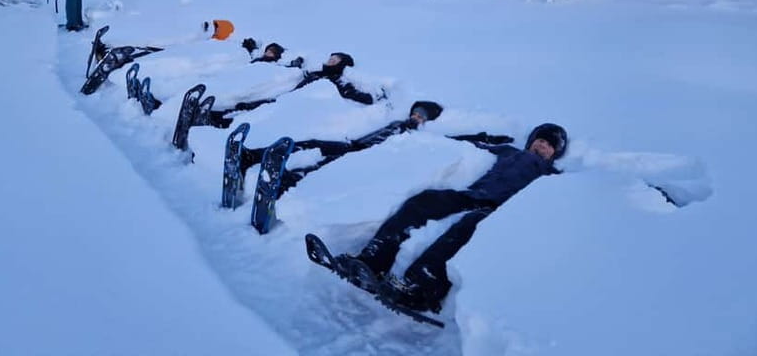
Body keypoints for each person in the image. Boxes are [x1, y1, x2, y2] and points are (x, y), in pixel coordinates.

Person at [334, 123, 568, 314]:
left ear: (554, 154)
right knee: (423, 201)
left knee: (466, 227)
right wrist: (472, 136)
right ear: (530, 141)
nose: (542, 145)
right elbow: (469, 144)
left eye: (549, 145)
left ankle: (420, 287)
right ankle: (373, 260)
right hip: (472, 195)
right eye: (540, 140)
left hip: (499, 209)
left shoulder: (551, 175)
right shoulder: (508, 151)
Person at [240, 101, 448, 194]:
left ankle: (287, 181)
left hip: (364, 156)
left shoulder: (414, 136)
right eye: (415, 113)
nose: (416, 117)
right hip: (354, 146)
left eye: (421, 117)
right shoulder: (397, 122)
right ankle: (257, 155)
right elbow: (375, 134)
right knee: (313, 144)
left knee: (323, 165)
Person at [208, 51, 385, 127]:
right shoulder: (316, 72)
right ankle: (218, 115)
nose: (331, 60)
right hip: (288, 97)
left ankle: (225, 122)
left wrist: (375, 97)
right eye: (331, 57)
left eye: (335, 59)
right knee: (252, 105)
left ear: (342, 64)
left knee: (260, 112)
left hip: (296, 106)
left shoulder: (337, 79)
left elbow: (354, 94)